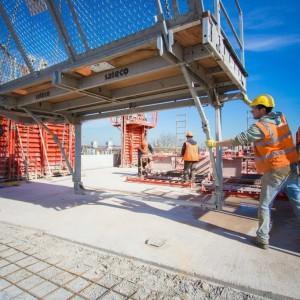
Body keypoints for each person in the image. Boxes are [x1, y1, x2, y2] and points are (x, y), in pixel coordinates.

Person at [206, 94, 300, 249]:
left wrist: (216, 143)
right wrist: (249, 101)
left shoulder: (260, 127)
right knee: (298, 203)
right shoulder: (281, 118)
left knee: (265, 205)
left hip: (276, 170)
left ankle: (263, 238)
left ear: (262, 110)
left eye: (253, 109)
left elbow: (238, 139)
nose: (251, 112)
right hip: (292, 167)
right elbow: (269, 110)